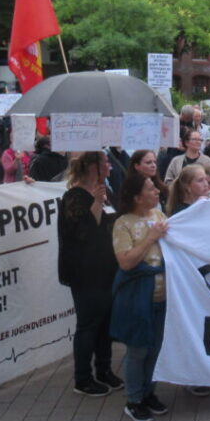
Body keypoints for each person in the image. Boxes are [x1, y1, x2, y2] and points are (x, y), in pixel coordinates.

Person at [58, 152, 123, 397]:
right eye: (105, 162)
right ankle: (82, 378)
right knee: (88, 324)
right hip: (85, 271)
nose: (109, 166)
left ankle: (104, 369)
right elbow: (84, 231)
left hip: (107, 268)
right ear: (92, 167)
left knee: (105, 323)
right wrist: (96, 202)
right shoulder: (74, 196)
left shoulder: (105, 190)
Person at [110, 172, 169, 421]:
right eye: (150, 188)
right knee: (138, 350)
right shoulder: (123, 223)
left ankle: (148, 392)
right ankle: (134, 399)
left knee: (156, 348)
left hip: (162, 295)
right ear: (136, 196)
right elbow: (126, 262)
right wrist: (150, 238)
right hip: (137, 296)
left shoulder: (159, 215)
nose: (156, 191)